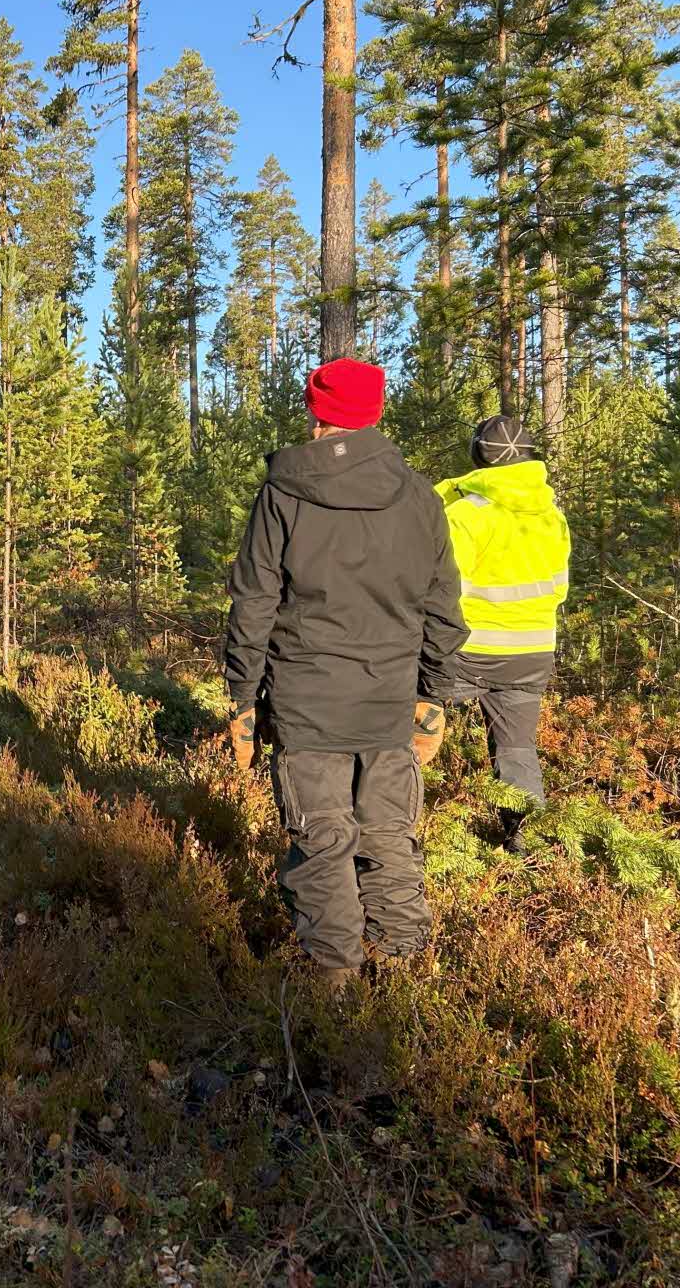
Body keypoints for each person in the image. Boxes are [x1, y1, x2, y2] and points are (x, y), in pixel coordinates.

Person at [224, 359, 469, 987]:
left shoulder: (281, 496)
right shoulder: (420, 497)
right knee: (389, 834)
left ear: (317, 410)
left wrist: (243, 700)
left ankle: (335, 987)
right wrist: (433, 696)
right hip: (389, 702)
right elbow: (442, 607)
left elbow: (254, 603)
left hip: (308, 705)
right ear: (377, 412)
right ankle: (405, 975)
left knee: (323, 838)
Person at [423, 415, 572, 850]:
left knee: (403, 723)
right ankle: (525, 842)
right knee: (517, 749)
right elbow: (558, 589)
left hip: (466, 650)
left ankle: (396, 825)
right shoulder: (552, 515)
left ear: (477, 458)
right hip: (533, 652)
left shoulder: (466, 514)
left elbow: (436, 587)